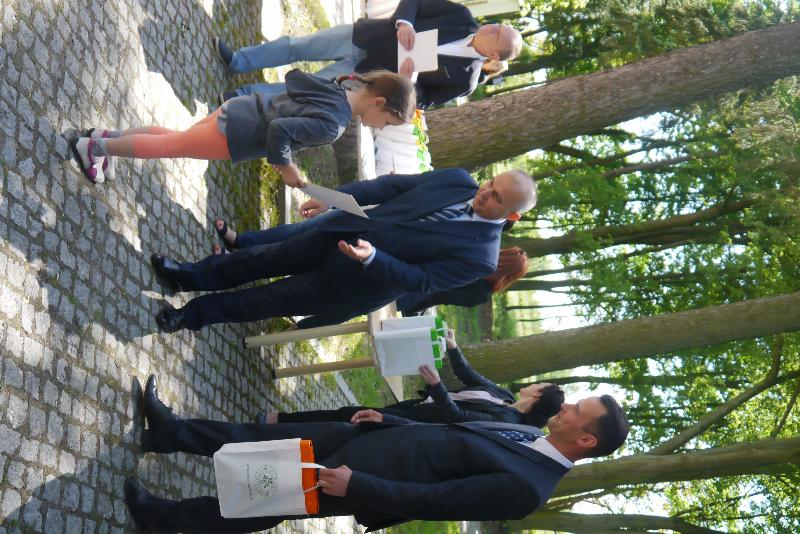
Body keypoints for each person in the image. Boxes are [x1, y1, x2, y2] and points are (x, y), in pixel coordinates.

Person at [125, 375, 629, 532]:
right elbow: (451, 432)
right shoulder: (527, 437)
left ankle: (166, 519)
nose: (564, 408)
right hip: (369, 437)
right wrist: (393, 421)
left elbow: (437, 502)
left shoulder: (527, 489)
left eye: (576, 412)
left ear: (586, 441)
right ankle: (171, 433)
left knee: (263, 498)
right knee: (260, 441)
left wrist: (358, 486)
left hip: (354, 477)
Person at [150, 168, 538, 333]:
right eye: (490, 183)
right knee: (260, 258)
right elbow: (389, 187)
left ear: (512, 215)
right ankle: (188, 275)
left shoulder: (481, 257)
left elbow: (422, 280)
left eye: (496, 197)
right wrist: (332, 198)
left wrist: (374, 258)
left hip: (358, 282)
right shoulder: (458, 180)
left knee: (267, 299)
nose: (484, 193)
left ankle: (191, 316)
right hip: (340, 232)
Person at [70, 69, 415, 186]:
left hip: (242, 107)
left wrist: (283, 157)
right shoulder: (334, 126)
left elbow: (293, 87)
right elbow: (279, 131)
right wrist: (287, 168)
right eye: (387, 123)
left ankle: (106, 139)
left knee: (174, 138)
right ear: (379, 102)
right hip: (238, 133)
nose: (381, 129)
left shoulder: (340, 86)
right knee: (170, 147)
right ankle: (94, 148)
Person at [214, 0, 523, 109]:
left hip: (368, 76)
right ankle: (239, 60)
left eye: (496, 34)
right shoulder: (462, 16)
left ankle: (241, 97)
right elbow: (416, 2)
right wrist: (405, 23)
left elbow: (423, 100)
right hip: (367, 35)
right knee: (297, 45)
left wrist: (409, 81)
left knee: (305, 87)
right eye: (497, 25)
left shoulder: (466, 81)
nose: (491, 27)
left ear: (494, 55)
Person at [256, 328, 564, 427]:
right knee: (351, 415)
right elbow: (470, 376)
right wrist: (453, 347)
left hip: (417, 423)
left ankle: (279, 424)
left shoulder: (506, 420)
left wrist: (437, 386)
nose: (534, 383)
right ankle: (280, 422)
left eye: (539, 384)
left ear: (537, 395)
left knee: (351, 418)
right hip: (417, 407)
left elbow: (457, 416)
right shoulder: (505, 398)